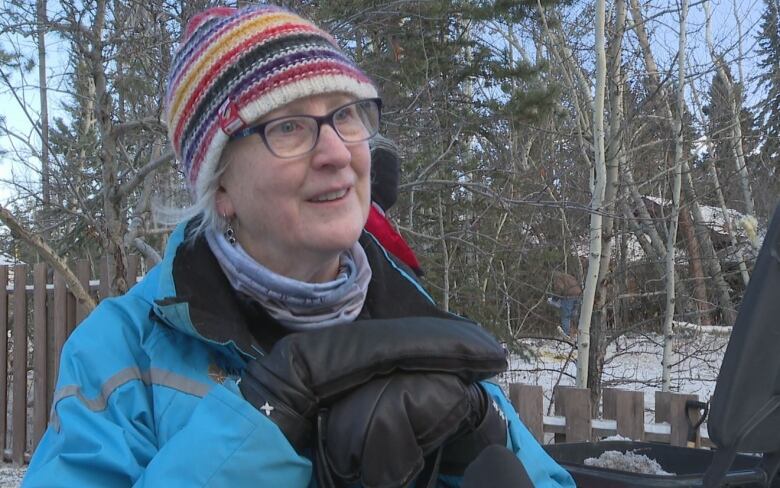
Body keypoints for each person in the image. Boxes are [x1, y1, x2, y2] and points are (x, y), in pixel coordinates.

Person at [23, 5, 574, 488]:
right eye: (288, 126)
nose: (336, 151)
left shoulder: (418, 325)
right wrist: (264, 421)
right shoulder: (122, 354)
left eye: (346, 115)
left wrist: (482, 437)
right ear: (220, 186)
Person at [365, 134, 424, 276]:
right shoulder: (358, 228)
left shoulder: (375, 229)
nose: (394, 181)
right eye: (396, 172)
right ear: (372, 176)